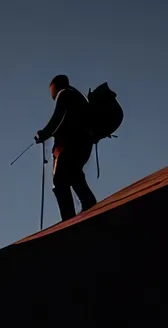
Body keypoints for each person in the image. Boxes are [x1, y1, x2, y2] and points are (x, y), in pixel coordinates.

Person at [35, 75, 97, 223]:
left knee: (60, 179)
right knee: (74, 175)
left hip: (73, 145)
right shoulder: (77, 97)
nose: (52, 94)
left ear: (56, 86)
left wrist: (44, 133)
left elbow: (58, 118)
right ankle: (90, 205)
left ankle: (68, 219)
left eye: (52, 89)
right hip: (84, 144)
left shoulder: (65, 94)